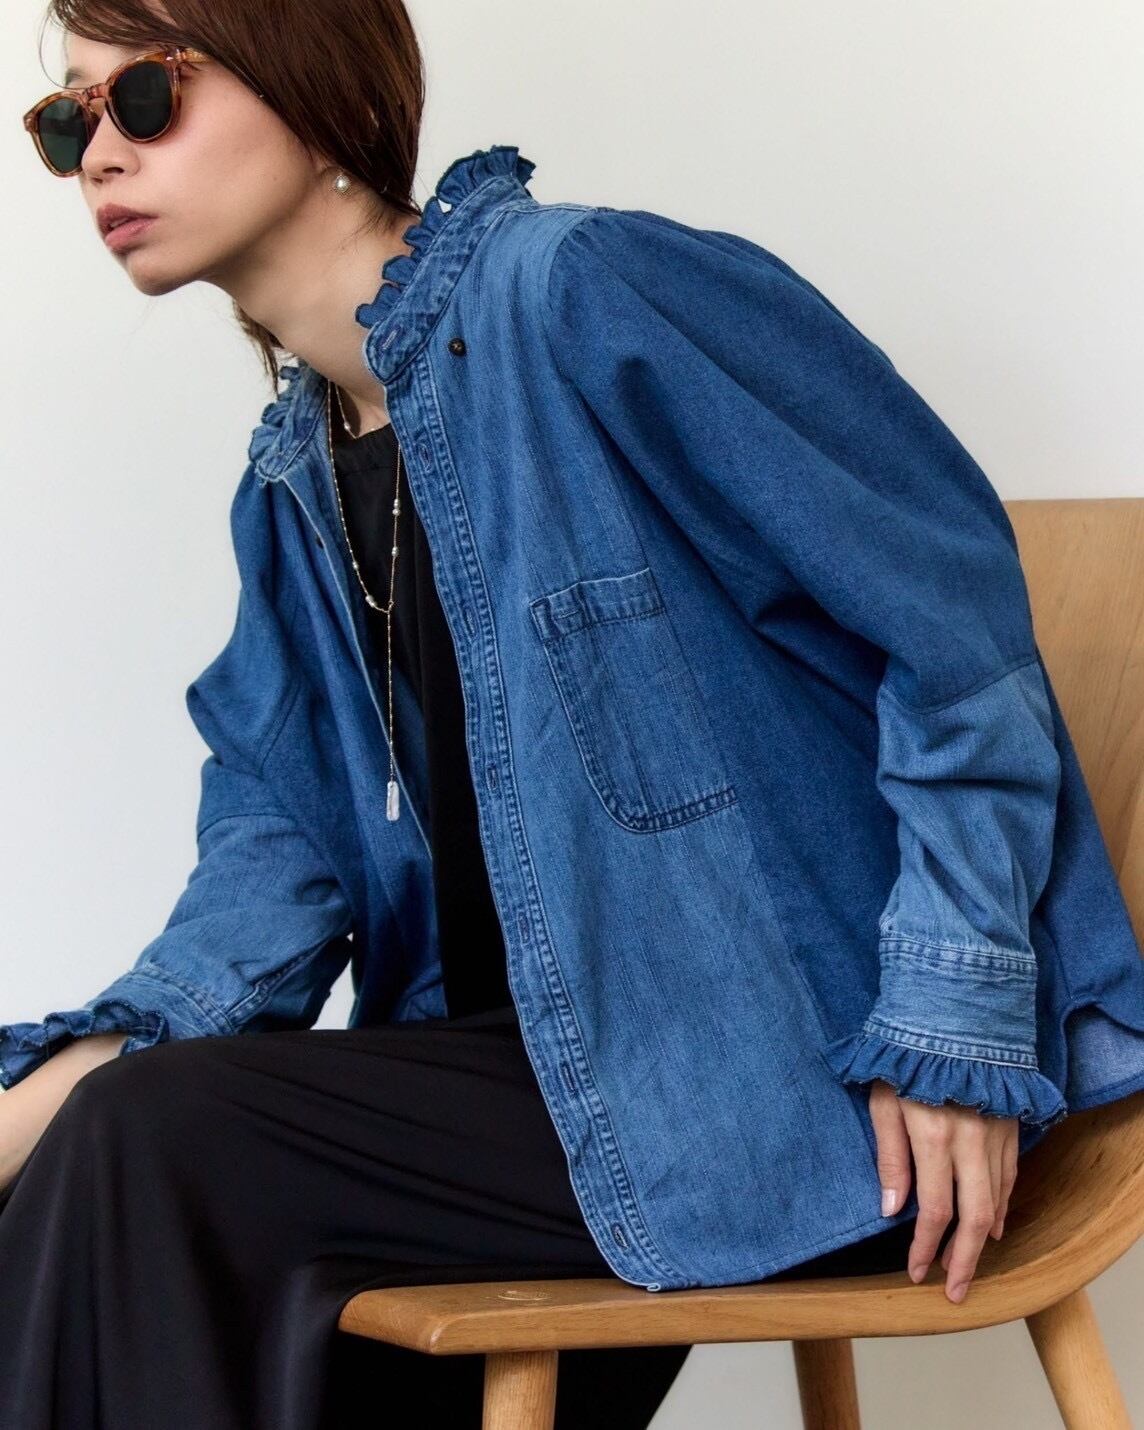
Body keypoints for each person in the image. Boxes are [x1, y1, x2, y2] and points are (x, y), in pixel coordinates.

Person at [7, 0, 1144, 1426]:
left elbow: (952, 627)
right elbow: (262, 891)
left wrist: (950, 1020)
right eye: (67, 119)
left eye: (145, 96)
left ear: (314, 82)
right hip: (543, 1090)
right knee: (93, 1161)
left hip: (811, 1088)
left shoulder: (586, 293)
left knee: (151, 1148)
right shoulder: (293, 491)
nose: (99, 156)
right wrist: (31, 1107)